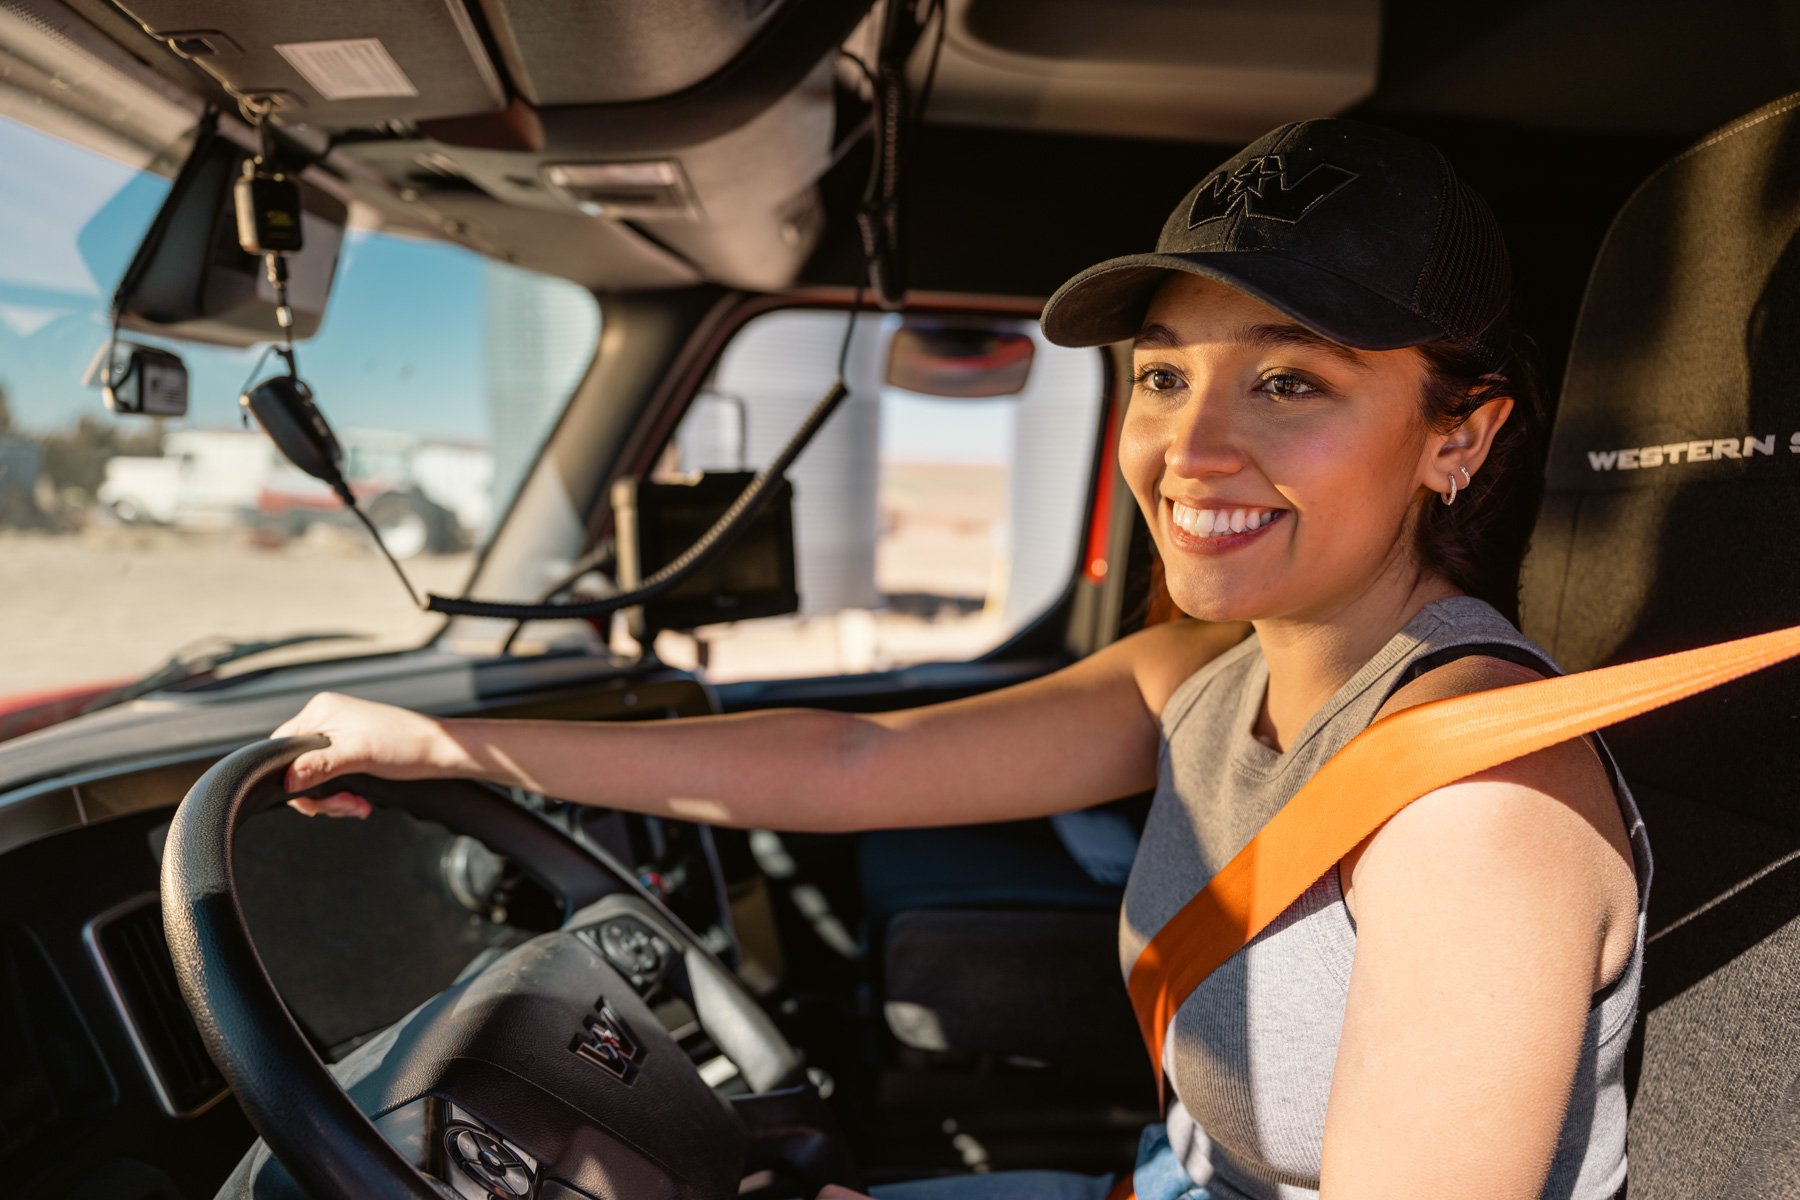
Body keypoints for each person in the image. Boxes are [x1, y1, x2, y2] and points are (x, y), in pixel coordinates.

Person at [274, 120, 1651, 1200]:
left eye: (1292, 380)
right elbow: (858, 760)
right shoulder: (1204, 673)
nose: (1193, 448)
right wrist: (447, 747)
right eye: (1165, 375)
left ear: (1456, 440)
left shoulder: (1483, 809)